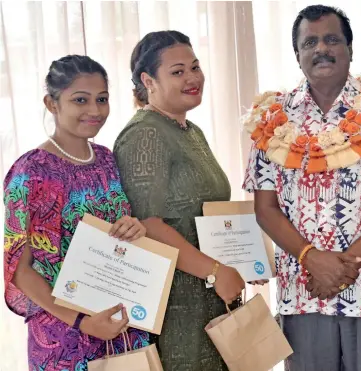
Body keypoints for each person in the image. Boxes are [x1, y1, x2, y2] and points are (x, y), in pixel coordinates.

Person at [242, 5, 361, 371]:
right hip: (303, 292)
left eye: (332, 39)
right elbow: (264, 208)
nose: (321, 49)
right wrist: (312, 259)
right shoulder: (271, 117)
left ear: (350, 48)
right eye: (310, 42)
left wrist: (346, 266)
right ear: (297, 54)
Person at [113, 31, 250, 371]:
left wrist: (244, 259)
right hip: (175, 306)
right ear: (149, 81)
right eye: (177, 72)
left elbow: (203, 214)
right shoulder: (145, 133)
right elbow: (147, 225)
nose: (192, 78)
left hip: (210, 295)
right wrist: (216, 272)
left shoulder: (191, 130)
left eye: (195, 67)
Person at [3, 55, 150, 371]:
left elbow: (115, 232)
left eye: (102, 99)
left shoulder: (107, 159)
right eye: (80, 100)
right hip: (64, 337)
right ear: (52, 103)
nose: (95, 111)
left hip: (121, 326)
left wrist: (133, 227)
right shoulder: (32, 171)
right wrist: (82, 322)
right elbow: (19, 268)